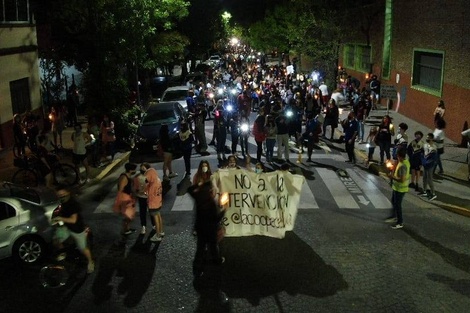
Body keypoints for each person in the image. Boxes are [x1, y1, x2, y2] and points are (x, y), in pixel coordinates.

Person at [187, 181, 225, 277]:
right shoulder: (211, 203)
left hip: (200, 228)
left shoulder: (198, 197)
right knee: (213, 246)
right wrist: (224, 210)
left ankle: (196, 268)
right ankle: (217, 261)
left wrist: (198, 185)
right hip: (210, 229)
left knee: (200, 248)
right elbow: (216, 218)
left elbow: (189, 189)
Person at [53, 189, 94, 273]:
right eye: (59, 194)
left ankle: (90, 262)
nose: (61, 196)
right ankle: (63, 253)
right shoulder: (62, 202)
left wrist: (60, 218)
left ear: (68, 193)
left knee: (83, 248)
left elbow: (73, 220)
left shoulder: (73, 205)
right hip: (66, 227)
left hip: (77, 229)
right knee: (57, 239)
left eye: (63, 194)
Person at [384, 147, 410, 229]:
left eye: (397, 156)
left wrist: (392, 177)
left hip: (400, 189)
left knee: (398, 205)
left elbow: (402, 179)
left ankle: (400, 222)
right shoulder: (405, 162)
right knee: (394, 201)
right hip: (396, 187)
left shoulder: (403, 165)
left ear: (399, 156)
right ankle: (394, 216)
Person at [113, 163, 137, 236]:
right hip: (125, 198)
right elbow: (120, 189)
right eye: (134, 169)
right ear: (130, 170)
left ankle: (127, 228)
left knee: (130, 215)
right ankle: (125, 230)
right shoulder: (124, 177)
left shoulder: (128, 176)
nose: (135, 171)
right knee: (128, 215)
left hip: (128, 197)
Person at [145, 166, 164, 242]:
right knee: (159, 216)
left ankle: (158, 235)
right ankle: (161, 231)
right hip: (158, 201)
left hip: (153, 202)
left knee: (155, 218)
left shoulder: (152, 184)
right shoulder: (158, 180)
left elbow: (147, 192)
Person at [134, 163, 154, 235]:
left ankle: (144, 226)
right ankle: (153, 225)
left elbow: (135, 188)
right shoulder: (152, 176)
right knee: (151, 211)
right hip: (148, 197)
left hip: (142, 197)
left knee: (143, 212)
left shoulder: (137, 177)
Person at [418, 133, 438, 201]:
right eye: (427, 137)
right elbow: (422, 153)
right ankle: (424, 191)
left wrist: (425, 162)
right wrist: (422, 162)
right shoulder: (425, 145)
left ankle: (433, 193)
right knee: (424, 178)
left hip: (430, 166)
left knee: (430, 179)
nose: (427, 139)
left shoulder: (434, 148)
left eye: (428, 137)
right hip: (425, 164)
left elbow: (433, 159)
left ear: (432, 139)